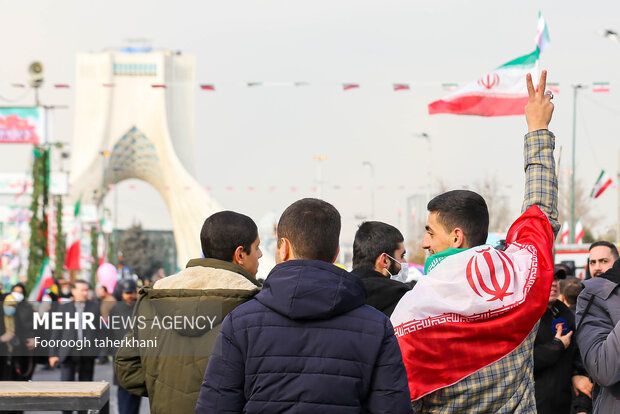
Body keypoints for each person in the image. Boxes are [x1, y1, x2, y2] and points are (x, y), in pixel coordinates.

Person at [390, 70, 560, 412]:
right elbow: (541, 212)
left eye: (429, 232)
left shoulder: (415, 309)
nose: (423, 244)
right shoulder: (519, 278)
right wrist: (537, 130)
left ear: (456, 236)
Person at [196, 198, 412, 413]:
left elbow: (216, 407)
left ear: (283, 248)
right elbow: (393, 408)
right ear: (336, 252)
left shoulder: (240, 322)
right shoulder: (376, 326)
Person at [116, 211, 262, 414]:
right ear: (239, 255)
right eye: (257, 247)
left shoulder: (152, 298)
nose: (260, 254)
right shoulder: (254, 303)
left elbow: (126, 367)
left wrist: (164, 386)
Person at [48, 280, 102, 414]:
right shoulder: (64, 308)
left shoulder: (94, 307)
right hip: (68, 352)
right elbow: (55, 333)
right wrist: (52, 354)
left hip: (86, 352)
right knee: (67, 388)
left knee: (85, 388)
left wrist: (99, 352)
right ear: (73, 291)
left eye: (86, 290)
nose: (84, 293)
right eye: (81, 290)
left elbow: (99, 331)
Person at [575, 257, 620, 413]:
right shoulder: (593, 293)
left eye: (603, 261)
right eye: (592, 262)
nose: (597, 267)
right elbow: (603, 370)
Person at [533, 266, 580, 414]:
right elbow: (524, 360)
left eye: (556, 279)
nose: (554, 283)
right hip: (535, 405)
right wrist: (557, 346)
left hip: (565, 405)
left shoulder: (566, 315)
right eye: (548, 278)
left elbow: (577, 358)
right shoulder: (526, 318)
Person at [351, 221, 412, 316]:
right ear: (385, 261)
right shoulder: (403, 301)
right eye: (402, 255)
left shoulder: (338, 296)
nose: (404, 262)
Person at [109, 279, 141, 414]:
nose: (131, 295)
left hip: (139, 359)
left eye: (133, 292)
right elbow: (109, 333)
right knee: (123, 393)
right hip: (121, 359)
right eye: (128, 293)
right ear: (121, 293)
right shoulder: (115, 310)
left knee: (136, 393)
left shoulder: (141, 308)